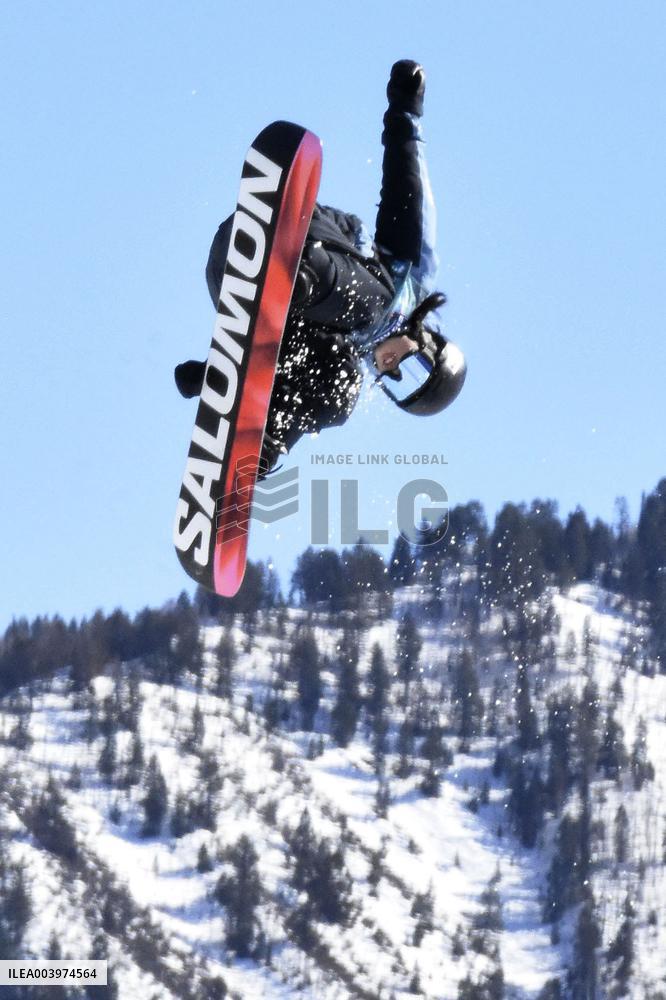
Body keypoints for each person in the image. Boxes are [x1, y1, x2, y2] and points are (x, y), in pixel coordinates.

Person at [175, 59, 466, 473]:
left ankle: (261, 435)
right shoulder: (408, 281)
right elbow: (408, 190)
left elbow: (327, 375)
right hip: (294, 239)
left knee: (341, 392)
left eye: (400, 387)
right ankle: (296, 276)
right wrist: (405, 110)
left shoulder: (347, 354)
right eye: (415, 368)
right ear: (428, 341)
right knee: (375, 307)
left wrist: (215, 375)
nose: (393, 370)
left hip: (226, 275)